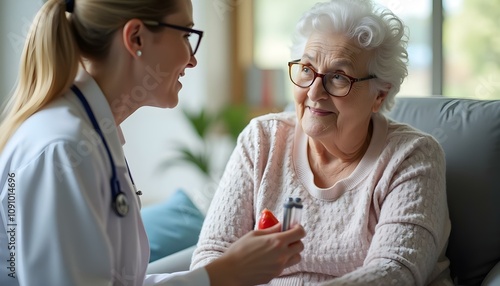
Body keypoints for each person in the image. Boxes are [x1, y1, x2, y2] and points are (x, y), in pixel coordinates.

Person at [0, 0, 306, 285]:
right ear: (136, 38)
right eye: (186, 34)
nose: (193, 58)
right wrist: (222, 274)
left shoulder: (90, 135)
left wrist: (223, 269)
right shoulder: (62, 150)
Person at [191, 0, 453, 285]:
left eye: (338, 76)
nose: (314, 92)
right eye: (306, 69)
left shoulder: (412, 156)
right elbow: (212, 257)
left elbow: (396, 272)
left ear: (379, 95)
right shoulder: (262, 140)